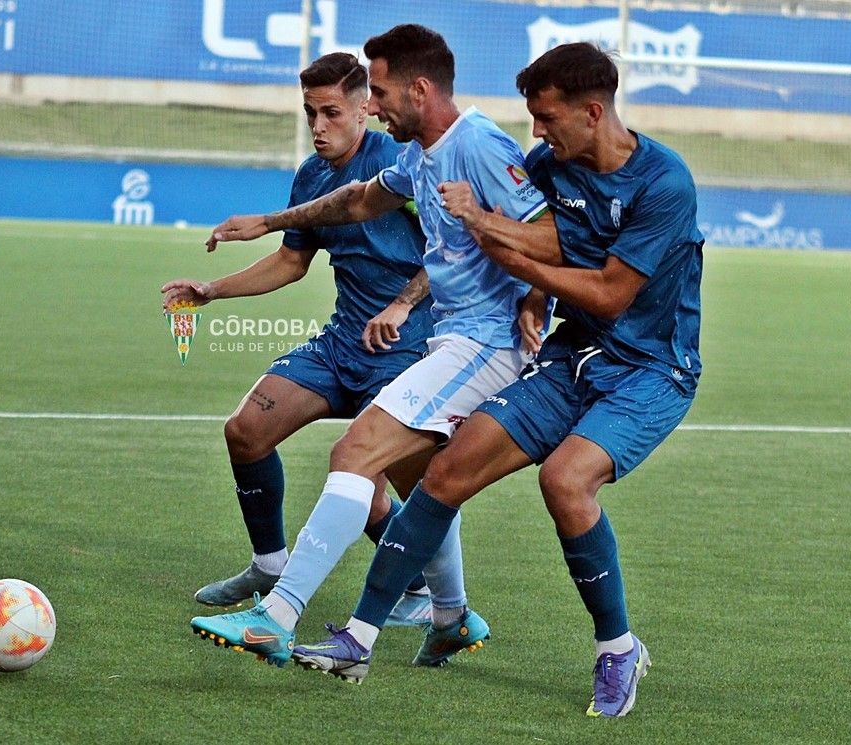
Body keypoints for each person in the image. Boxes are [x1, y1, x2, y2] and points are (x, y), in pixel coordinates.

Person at [291, 41, 704, 720]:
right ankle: (357, 638)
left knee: (565, 480)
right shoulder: (546, 166)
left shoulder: (663, 184)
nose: (535, 133)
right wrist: (532, 299)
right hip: (574, 356)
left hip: (652, 370)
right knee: (446, 471)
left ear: (593, 112)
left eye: (545, 118)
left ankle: (618, 646)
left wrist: (488, 229)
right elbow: (535, 243)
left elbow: (606, 293)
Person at [189, 24, 555, 673]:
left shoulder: (477, 142)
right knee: (430, 484)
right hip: (448, 338)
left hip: (485, 340)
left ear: (418, 89)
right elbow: (359, 199)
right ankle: (449, 615)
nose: (375, 107)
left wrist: (530, 294)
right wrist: (271, 222)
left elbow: (549, 236)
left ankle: (276, 616)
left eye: (379, 92)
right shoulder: (419, 155)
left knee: (358, 455)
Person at [162, 52, 436, 626]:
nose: (317, 126)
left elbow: (453, 251)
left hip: (408, 348)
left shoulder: (402, 164)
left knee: (366, 484)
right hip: (342, 344)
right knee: (246, 430)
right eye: (310, 112)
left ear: (366, 109)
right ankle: (269, 564)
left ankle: (425, 594)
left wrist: (402, 302)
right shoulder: (312, 176)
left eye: (330, 112)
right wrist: (210, 291)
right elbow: (292, 262)